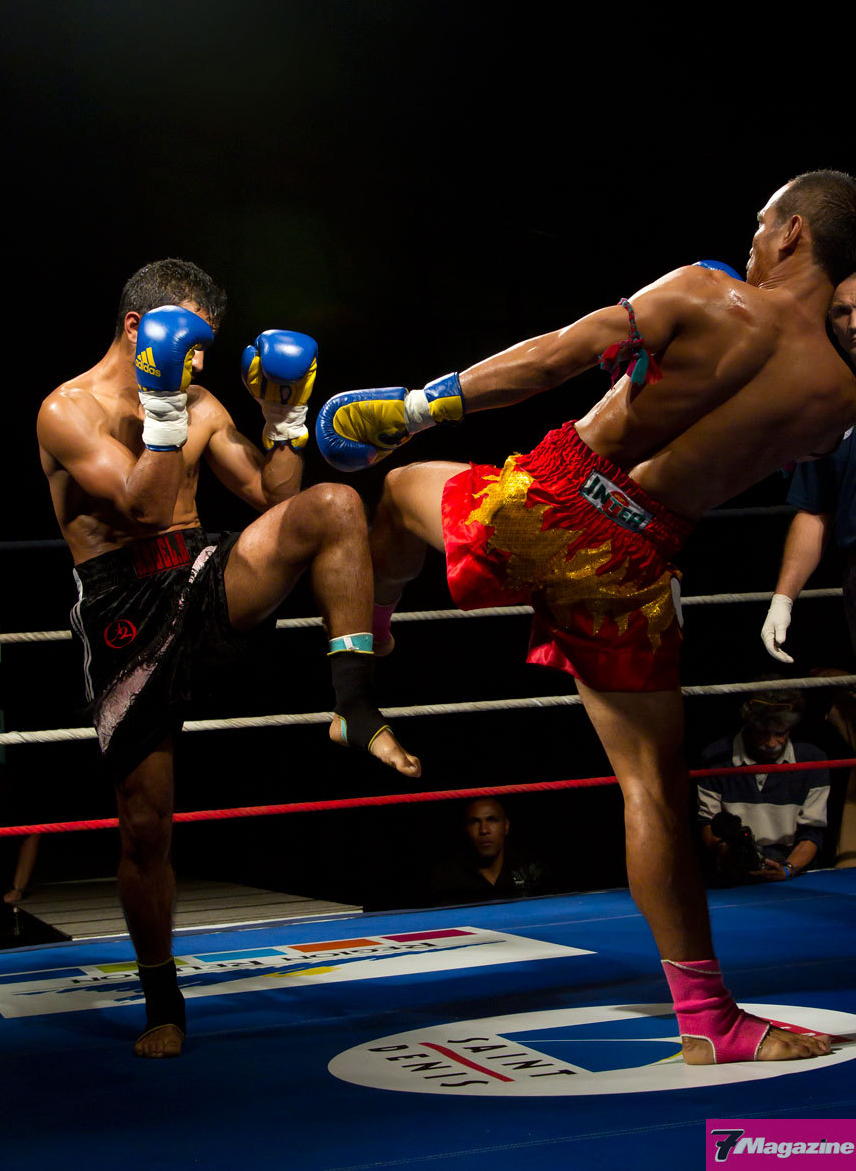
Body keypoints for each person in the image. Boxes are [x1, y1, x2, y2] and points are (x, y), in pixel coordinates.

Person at [316, 169, 856, 1065]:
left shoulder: (704, 289)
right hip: (636, 562)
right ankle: (709, 1020)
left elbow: (553, 356)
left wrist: (412, 408)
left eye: (762, 225)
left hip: (548, 507)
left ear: (794, 232)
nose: (752, 240)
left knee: (397, 492)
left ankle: (367, 638)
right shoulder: (838, 395)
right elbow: (772, 449)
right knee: (652, 788)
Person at [37, 258, 420, 1060]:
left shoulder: (203, 403)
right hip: (120, 607)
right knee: (146, 825)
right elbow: (141, 504)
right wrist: (163, 408)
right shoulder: (67, 410)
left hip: (203, 570)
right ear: (141, 329)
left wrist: (283, 417)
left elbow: (275, 497)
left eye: (206, 346)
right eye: (192, 342)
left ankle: (352, 703)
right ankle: (162, 1002)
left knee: (332, 504)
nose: (203, 360)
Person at [760, 274, 856, 664]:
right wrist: (783, 599)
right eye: (842, 312)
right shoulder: (833, 408)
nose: (854, 323)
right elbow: (816, 509)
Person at [697, 693, 828, 883]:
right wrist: (733, 858)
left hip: (791, 873)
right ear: (750, 726)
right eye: (763, 733)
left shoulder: (812, 760)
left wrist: (787, 869)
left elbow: (813, 832)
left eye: (780, 733)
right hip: (731, 873)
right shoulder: (717, 757)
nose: (772, 743)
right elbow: (707, 824)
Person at [428, 797, 553, 906]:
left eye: (492, 820)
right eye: (474, 822)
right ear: (465, 829)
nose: (484, 830)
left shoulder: (531, 868)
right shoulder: (447, 875)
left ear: (506, 826)